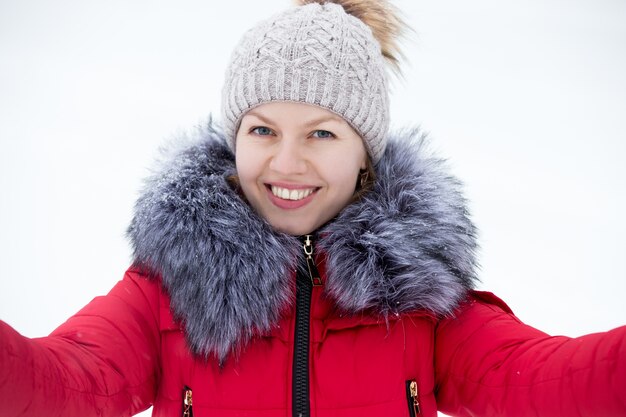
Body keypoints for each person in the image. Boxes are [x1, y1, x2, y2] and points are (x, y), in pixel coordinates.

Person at [1, 1, 625, 416]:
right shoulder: (168, 289)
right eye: (262, 130)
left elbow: (536, 378)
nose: (286, 163)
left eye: (321, 133)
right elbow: (68, 379)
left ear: (365, 154)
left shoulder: (420, 301)